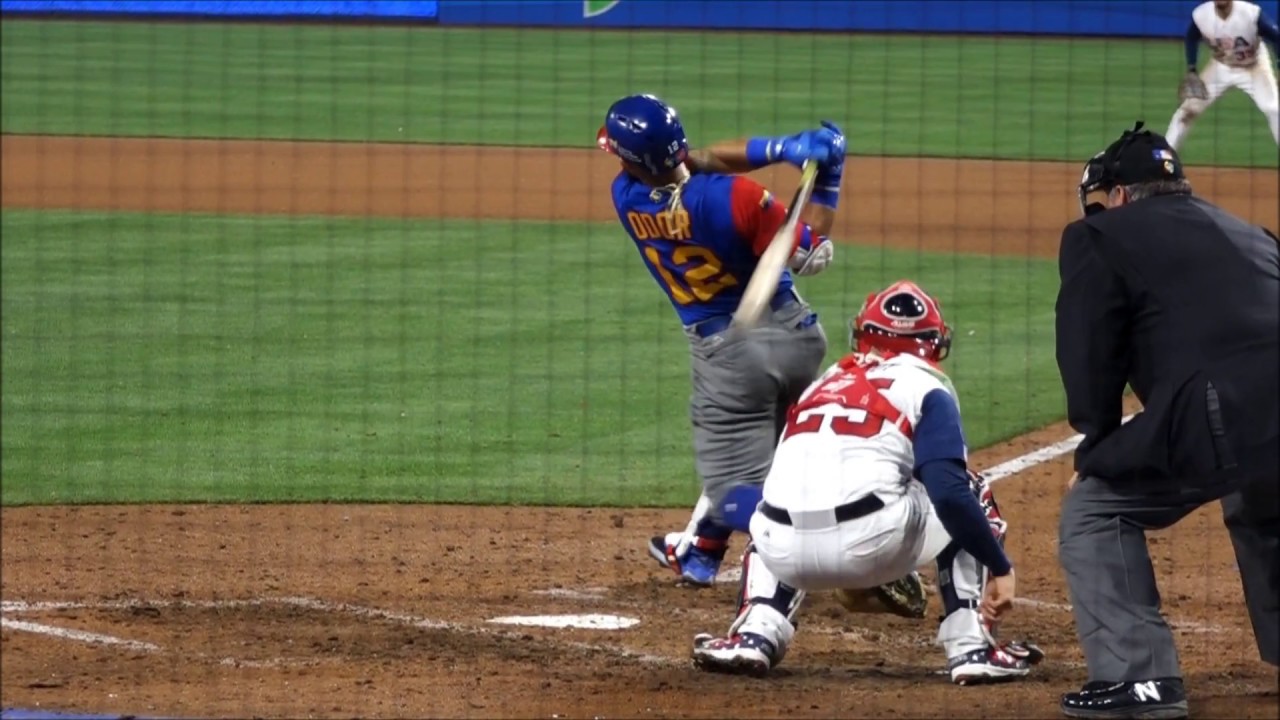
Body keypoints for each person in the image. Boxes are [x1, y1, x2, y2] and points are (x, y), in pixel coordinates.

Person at [595, 94, 926, 615]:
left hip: (727, 355)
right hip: (795, 338)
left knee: (734, 486)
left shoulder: (626, 195)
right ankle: (701, 550)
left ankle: (849, 559)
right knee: (792, 452)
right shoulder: (738, 199)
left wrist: (781, 149)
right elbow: (813, 252)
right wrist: (828, 176)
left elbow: (693, 162)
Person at [688, 280, 1044, 684]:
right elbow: (949, 495)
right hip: (875, 542)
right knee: (969, 490)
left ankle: (755, 633)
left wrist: (712, 530)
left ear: (863, 335)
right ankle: (972, 647)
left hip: (784, 550)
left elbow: (735, 500)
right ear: (933, 343)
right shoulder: (927, 388)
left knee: (780, 498)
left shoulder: (820, 387)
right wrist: (1000, 567)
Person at [1057, 121, 1279, 719]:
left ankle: (1140, 678)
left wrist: (1095, 446)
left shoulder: (1098, 236)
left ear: (1121, 194)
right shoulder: (1251, 232)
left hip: (1221, 407)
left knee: (1095, 508)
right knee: (1260, 496)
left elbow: (1088, 355)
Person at [1165, 0, 1280, 150]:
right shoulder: (1202, 15)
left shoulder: (1250, 13)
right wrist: (1191, 68)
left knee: (1273, 109)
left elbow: (1276, 37)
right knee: (1187, 111)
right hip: (1220, 68)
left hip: (1254, 67)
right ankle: (1163, 161)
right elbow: (1191, 38)